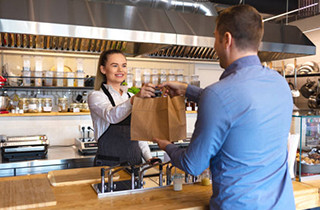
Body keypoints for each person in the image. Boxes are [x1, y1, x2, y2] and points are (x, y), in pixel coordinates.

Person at [154, 4, 295, 209]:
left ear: (227, 39)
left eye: (215, 38)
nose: (214, 47)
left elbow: (193, 165)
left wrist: (166, 145)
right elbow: (239, 108)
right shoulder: (280, 84)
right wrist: (187, 90)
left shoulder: (218, 94)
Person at [88, 49, 156, 167]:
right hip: (108, 166)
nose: (120, 70)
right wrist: (135, 99)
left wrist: (148, 157)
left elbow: (139, 134)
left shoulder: (129, 96)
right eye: (115, 66)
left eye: (124, 66)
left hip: (135, 165)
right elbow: (112, 116)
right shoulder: (96, 96)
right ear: (103, 69)